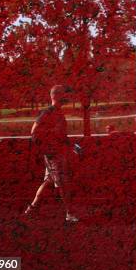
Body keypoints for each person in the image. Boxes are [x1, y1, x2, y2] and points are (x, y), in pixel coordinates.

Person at [24, 85, 79, 222]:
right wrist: (47, 147)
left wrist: (74, 147)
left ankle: (31, 208)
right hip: (52, 155)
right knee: (63, 183)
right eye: (64, 94)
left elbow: (62, 135)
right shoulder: (48, 112)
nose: (66, 97)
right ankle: (69, 213)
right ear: (57, 96)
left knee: (49, 180)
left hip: (58, 153)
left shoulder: (59, 112)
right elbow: (34, 132)